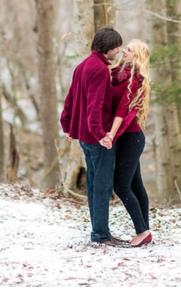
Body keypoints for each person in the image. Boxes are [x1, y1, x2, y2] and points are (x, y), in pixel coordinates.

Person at [60, 26, 128, 247]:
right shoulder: (99, 69)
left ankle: (99, 232)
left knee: (93, 184)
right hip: (97, 139)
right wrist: (102, 136)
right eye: (117, 47)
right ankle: (100, 235)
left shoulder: (82, 66)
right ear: (108, 46)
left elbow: (70, 98)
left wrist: (68, 126)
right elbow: (94, 108)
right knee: (102, 186)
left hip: (85, 138)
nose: (118, 51)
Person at [101, 40, 152, 248]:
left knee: (121, 186)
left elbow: (123, 110)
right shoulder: (116, 73)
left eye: (129, 50)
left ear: (137, 56)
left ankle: (142, 231)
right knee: (136, 185)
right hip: (125, 138)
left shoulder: (136, 79)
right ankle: (145, 230)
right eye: (125, 48)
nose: (124, 51)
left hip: (131, 138)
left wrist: (111, 135)